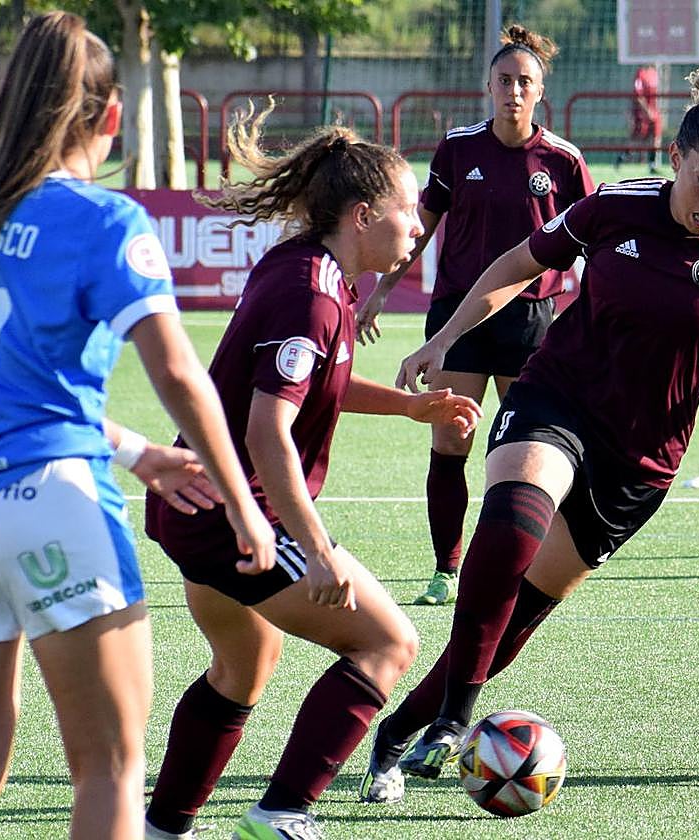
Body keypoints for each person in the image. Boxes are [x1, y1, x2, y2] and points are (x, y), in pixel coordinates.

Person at [359, 65, 699, 803]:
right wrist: (447, 336)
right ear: (675, 160)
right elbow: (517, 262)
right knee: (506, 532)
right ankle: (456, 720)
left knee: (512, 624)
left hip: (639, 461)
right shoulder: (614, 209)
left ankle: (399, 731)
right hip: (556, 399)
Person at [0, 12, 277, 840]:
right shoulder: (105, 220)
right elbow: (180, 373)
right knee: (112, 771)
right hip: (51, 505)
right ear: (111, 117)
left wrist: (134, 450)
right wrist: (244, 503)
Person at [141, 112, 483, 840]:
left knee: (244, 665)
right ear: (363, 216)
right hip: (236, 516)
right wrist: (319, 549)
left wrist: (410, 409)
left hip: (192, 506)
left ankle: (164, 828)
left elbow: (315, 386)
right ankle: (283, 812)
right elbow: (270, 433)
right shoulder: (314, 295)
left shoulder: (309, 267)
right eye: (406, 209)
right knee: (389, 643)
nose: (419, 225)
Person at [355, 25, 594, 608]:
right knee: (450, 442)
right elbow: (420, 230)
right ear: (488, 86)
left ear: (541, 92)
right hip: (456, 319)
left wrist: (596, 310)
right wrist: (381, 291)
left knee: (525, 449)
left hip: (532, 318)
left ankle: (530, 565)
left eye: (525, 82)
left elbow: (591, 242)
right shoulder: (459, 148)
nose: (514, 90)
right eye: (505, 80)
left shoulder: (563, 161)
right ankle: (446, 568)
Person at [616, 64, 662, 173]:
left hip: (654, 112)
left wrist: (655, 110)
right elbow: (638, 95)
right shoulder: (640, 73)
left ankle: (652, 165)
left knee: (655, 138)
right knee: (637, 139)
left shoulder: (654, 72)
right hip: (641, 113)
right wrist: (646, 111)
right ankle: (621, 158)